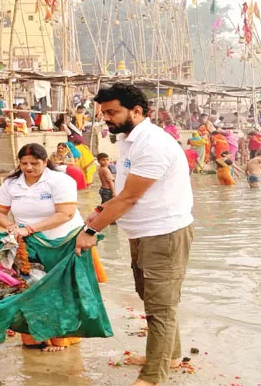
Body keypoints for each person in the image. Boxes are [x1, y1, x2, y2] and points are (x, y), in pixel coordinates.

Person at [75, 83, 194, 386]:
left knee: (160, 306)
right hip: (142, 232)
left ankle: (152, 377)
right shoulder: (129, 140)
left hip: (164, 233)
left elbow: (129, 198)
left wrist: (91, 230)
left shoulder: (153, 144)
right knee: (151, 298)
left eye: (112, 112)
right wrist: (99, 212)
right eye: (104, 113)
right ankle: (170, 356)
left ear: (137, 111)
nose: (106, 118)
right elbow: (123, 194)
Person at [0, 143, 90, 352]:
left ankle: (61, 339)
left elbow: (66, 213)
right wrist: (10, 225)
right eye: (24, 163)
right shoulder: (11, 184)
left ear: (45, 162)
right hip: (27, 243)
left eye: (34, 163)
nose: (28, 167)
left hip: (62, 242)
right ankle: (34, 336)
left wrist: (30, 229)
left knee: (61, 289)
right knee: (30, 287)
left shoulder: (60, 180)